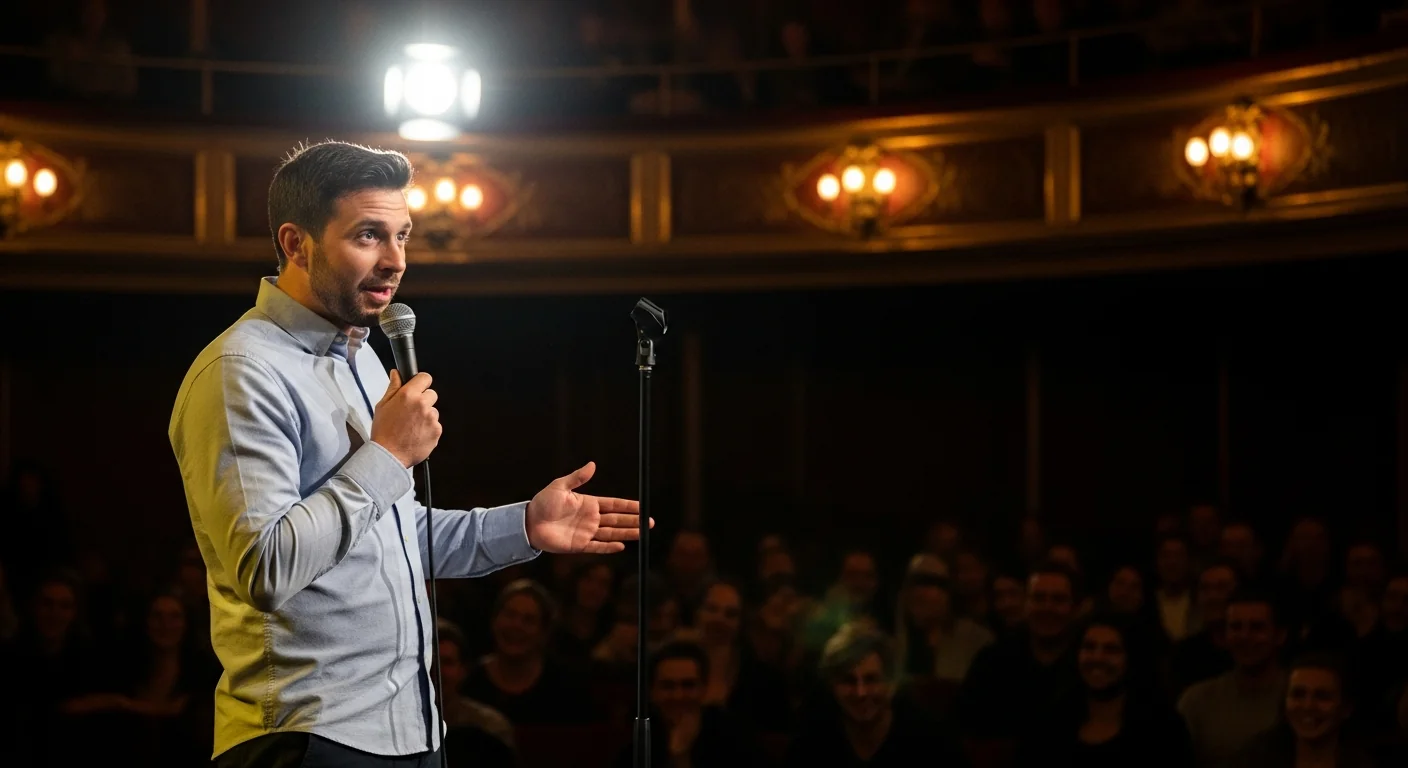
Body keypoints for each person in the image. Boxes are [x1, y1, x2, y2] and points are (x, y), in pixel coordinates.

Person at [168, 140, 645, 768]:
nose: (395, 261)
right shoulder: (242, 371)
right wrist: (388, 454)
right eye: (368, 236)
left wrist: (523, 525)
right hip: (308, 737)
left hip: (415, 733)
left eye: (403, 236)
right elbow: (265, 568)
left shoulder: (364, 357)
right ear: (295, 243)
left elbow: (389, 535)